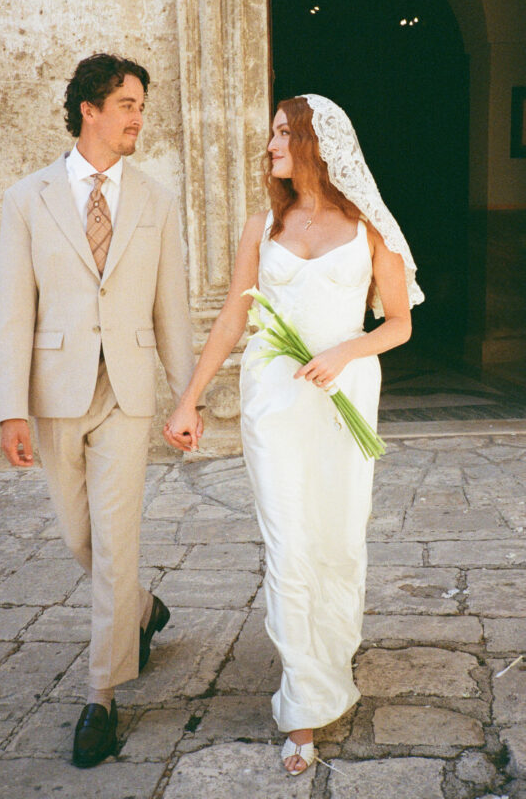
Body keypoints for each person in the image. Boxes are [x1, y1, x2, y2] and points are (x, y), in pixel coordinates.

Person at [164, 94, 423, 775]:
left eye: (284, 132)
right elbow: (230, 319)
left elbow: (397, 323)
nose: (272, 142)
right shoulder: (263, 225)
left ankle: (331, 658)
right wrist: (188, 400)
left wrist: (344, 352)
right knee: (288, 541)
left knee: (336, 539)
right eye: (274, 132)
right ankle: (302, 706)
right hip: (273, 397)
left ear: (317, 143)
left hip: (342, 397)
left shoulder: (368, 228)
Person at [0, 52, 201, 769]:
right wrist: (9, 408)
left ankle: (101, 696)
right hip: (55, 393)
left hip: (128, 393)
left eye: (141, 105)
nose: (138, 118)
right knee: (80, 537)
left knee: (115, 542)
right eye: (127, 105)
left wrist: (187, 394)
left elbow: (170, 305)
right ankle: (141, 610)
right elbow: (12, 312)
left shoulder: (155, 199)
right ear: (90, 109)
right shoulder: (27, 198)